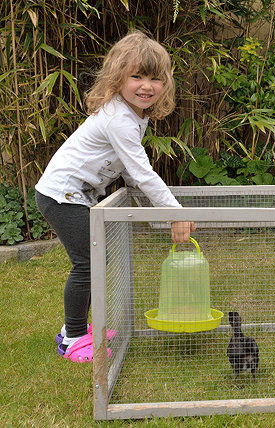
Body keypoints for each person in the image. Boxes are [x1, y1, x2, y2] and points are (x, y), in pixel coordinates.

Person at [35, 30, 195, 362]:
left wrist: (144, 202)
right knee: (87, 263)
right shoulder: (119, 117)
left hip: (73, 195)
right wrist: (174, 212)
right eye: (137, 76)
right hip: (61, 195)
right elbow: (140, 171)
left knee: (93, 261)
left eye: (155, 78)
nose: (146, 86)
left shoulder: (136, 114)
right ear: (118, 77)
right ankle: (73, 337)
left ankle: (75, 328)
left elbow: (127, 169)